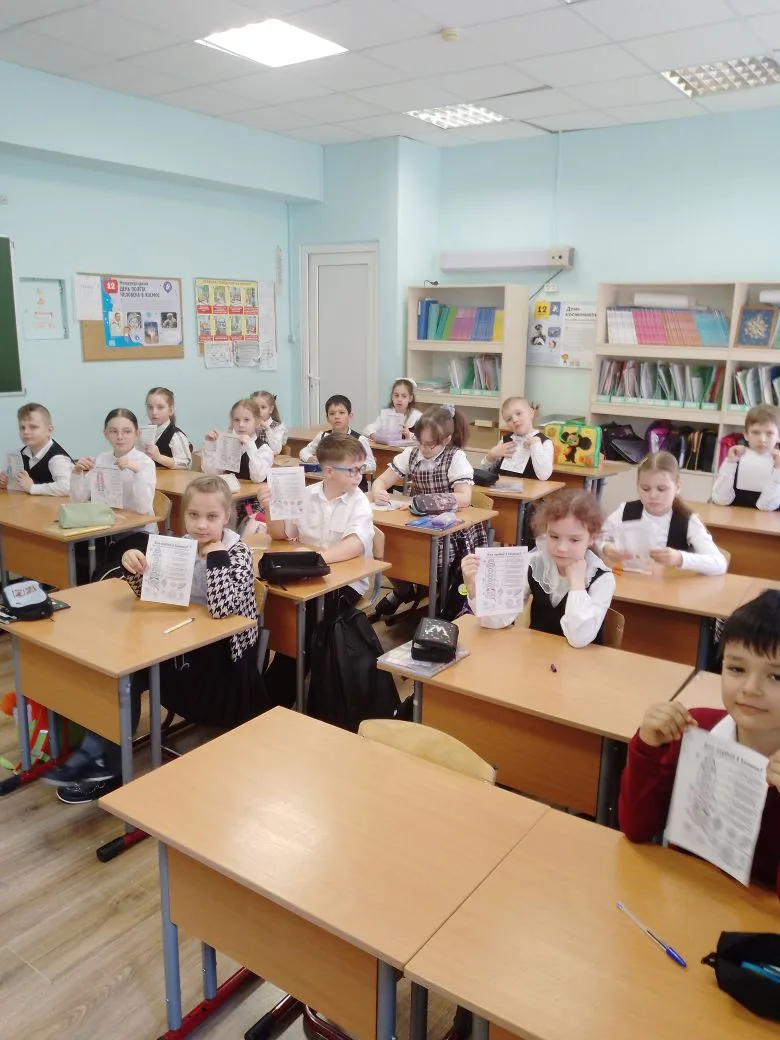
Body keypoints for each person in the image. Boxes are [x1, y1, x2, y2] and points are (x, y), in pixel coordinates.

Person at [44, 475, 266, 804]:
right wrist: (134, 569)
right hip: (177, 648)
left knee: (128, 675)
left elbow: (222, 610)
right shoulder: (178, 546)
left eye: (211, 517)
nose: (201, 525)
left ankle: (105, 762)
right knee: (119, 676)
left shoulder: (237, 553)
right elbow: (152, 594)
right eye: (193, 515)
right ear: (183, 514)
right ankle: (106, 764)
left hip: (221, 669)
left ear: (226, 518)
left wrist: (216, 556)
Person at [618, 590, 780, 897]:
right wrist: (648, 746)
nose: (750, 688)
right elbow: (636, 828)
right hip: (683, 896)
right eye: (736, 669)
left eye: (776, 677)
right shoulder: (695, 729)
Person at [258, 433, 374, 702]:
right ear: (329, 471)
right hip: (307, 578)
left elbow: (354, 545)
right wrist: (271, 508)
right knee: (271, 603)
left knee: (308, 619)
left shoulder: (359, 502)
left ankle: (280, 692)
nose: (359, 475)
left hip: (346, 583)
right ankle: (275, 676)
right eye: (353, 470)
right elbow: (280, 534)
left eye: (361, 469)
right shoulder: (307, 495)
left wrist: (315, 559)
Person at [370, 405, 486, 620]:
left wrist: (423, 502)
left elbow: (464, 497)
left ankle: (440, 604)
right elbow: (382, 480)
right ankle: (404, 589)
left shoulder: (455, 457)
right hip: (415, 521)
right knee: (387, 545)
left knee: (422, 557)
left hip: (450, 529)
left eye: (429, 444)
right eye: (420, 442)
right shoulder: (412, 454)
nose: (423, 448)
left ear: (446, 439)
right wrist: (378, 490)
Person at [461, 488, 615, 647]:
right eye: (554, 536)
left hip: (580, 660)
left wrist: (577, 586)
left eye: (574, 540)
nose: (562, 548)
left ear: (592, 538)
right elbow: (496, 620)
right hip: (537, 654)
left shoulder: (602, 578)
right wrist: (474, 589)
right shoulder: (534, 563)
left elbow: (578, 639)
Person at [599, 451, 727, 575]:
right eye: (645, 488)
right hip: (632, 583)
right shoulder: (625, 511)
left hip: (671, 586)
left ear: (677, 487)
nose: (653, 495)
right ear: (637, 485)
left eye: (661, 489)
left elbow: (719, 563)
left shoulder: (687, 520)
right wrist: (605, 547)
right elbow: (595, 537)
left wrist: (680, 558)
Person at [70, 408, 157, 558]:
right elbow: (78, 501)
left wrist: (137, 471)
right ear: (106, 434)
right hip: (106, 531)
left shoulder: (145, 463)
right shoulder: (102, 459)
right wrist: (77, 473)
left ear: (137, 434)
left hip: (138, 533)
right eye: (113, 431)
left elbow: (143, 509)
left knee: (107, 561)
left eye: (127, 431)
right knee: (74, 552)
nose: (120, 437)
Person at [299, 394, 376, 489]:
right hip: (329, 485)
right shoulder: (322, 436)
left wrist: (354, 467)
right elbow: (304, 451)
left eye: (341, 413)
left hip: (354, 487)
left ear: (350, 416)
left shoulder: (359, 439)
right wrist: (309, 458)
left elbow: (372, 465)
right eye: (332, 414)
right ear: (327, 418)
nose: (337, 417)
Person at [711, 404, 780, 510]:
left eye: (769, 433)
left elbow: (766, 507)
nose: (762, 439)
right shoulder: (736, 458)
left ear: (778, 436)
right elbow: (720, 499)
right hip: (734, 516)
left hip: (765, 519)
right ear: (746, 434)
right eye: (755, 432)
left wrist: (777, 471)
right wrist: (730, 463)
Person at [0, 402, 73, 496]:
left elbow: (67, 487)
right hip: (32, 503)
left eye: (33, 427)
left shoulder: (57, 458)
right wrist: (7, 482)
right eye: (22, 427)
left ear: (49, 430)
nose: (26, 432)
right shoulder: (19, 453)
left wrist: (32, 488)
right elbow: (22, 483)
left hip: (56, 504)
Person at [202, 397, 274, 483]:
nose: (241, 424)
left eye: (246, 420)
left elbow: (258, 478)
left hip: (253, 491)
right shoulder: (228, 444)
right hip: (230, 490)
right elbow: (213, 473)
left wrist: (250, 446)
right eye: (236, 420)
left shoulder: (264, 448)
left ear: (257, 422)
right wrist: (210, 446)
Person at [481, 396, 553, 480]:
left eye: (518, 413)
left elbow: (544, 475)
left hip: (529, 488)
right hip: (502, 487)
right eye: (509, 419)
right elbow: (484, 472)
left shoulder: (545, 443)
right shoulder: (505, 440)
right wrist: (491, 455)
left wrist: (535, 445)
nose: (514, 420)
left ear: (531, 413)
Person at [143, 387, 192, 470]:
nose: (154, 412)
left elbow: (186, 464)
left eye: (160, 407)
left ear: (171, 410)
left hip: (170, 478)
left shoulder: (175, 435)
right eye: (150, 407)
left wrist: (159, 457)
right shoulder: (143, 433)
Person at [250, 390, 288, 456]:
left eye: (263, 407)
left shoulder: (278, 427)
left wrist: (267, 429)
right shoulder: (249, 425)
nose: (258, 411)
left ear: (270, 409)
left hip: (271, 460)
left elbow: (276, 450)